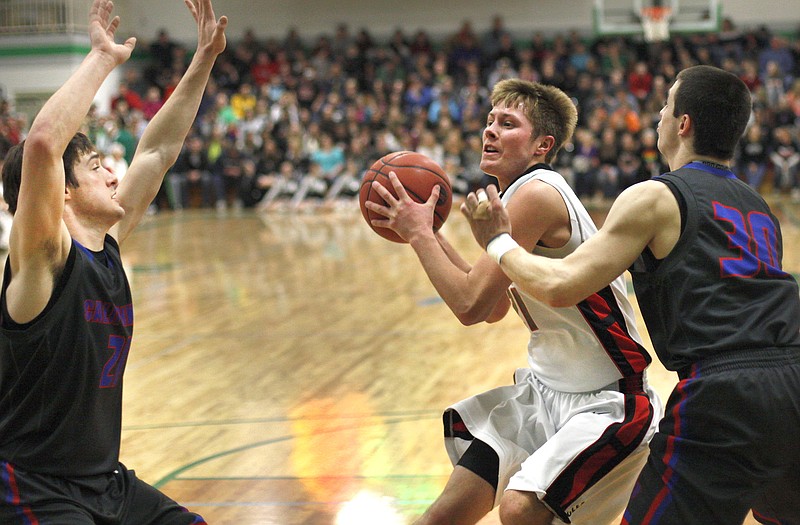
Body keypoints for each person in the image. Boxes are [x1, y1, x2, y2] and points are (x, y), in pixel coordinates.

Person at [462, 65, 800, 524]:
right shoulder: (760, 208)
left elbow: (561, 286)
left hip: (724, 391)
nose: (658, 114)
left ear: (683, 124)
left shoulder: (656, 197)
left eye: (665, 105)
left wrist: (498, 241)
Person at [365, 78, 662, 525]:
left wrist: (419, 233)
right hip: (543, 393)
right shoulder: (509, 197)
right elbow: (491, 307)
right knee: (443, 515)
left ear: (543, 145)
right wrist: (431, 232)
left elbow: (468, 306)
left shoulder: (537, 192)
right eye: (489, 122)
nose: (490, 131)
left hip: (609, 401)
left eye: (507, 124)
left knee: (520, 511)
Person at [0, 0, 227, 523]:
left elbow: (159, 150)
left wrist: (203, 61)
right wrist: (101, 58)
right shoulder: (42, 260)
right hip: (32, 487)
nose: (111, 175)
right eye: (97, 166)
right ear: (61, 192)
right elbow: (40, 144)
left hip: (105, 481)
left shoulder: (108, 243)